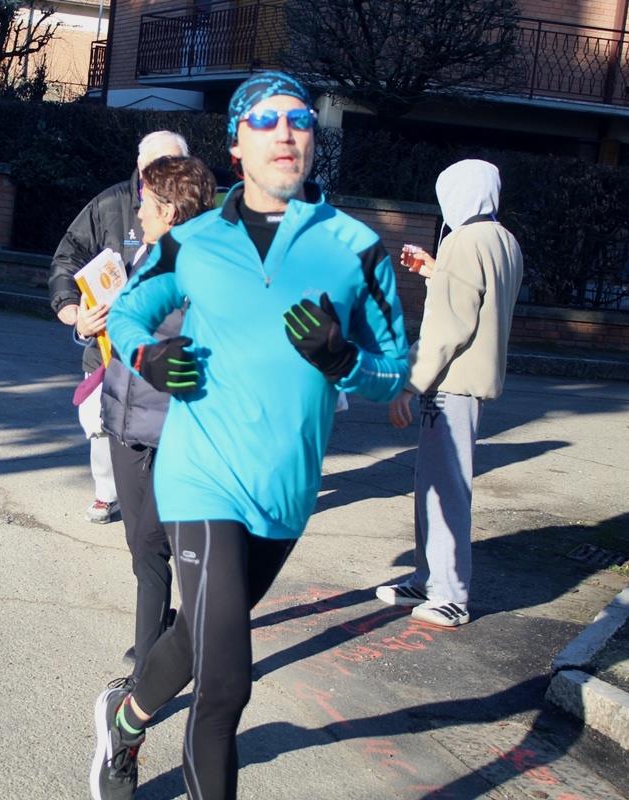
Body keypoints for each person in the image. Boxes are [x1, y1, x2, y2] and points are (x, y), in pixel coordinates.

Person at [90, 71, 409, 800]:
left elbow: (394, 373)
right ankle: (133, 750)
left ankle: (124, 721)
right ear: (236, 145)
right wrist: (148, 356)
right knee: (227, 685)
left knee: (195, 638)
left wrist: (345, 360)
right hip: (201, 479)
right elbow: (130, 312)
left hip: (285, 491)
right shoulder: (194, 241)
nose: (285, 132)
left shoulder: (356, 248)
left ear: (314, 139)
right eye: (264, 120)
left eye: (298, 119)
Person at [377, 159, 524, 628]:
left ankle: (450, 594)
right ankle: (429, 579)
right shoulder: (503, 240)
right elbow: (476, 299)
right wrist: (434, 271)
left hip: (451, 382)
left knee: (444, 488)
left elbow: (448, 324)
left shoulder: (463, 241)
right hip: (470, 380)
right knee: (436, 483)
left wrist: (408, 382)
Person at [100, 154, 217, 687]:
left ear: (169, 210)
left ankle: (150, 671)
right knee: (140, 547)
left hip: (174, 431)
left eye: (146, 202)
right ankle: (161, 634)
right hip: (125, 420)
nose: (138, 211)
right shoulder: (148, 253)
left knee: (153, 547)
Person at [50, 131, 189, 525]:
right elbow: (67, 256)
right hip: (108, 348)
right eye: (153, 169)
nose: (160, 177)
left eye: (172, 167)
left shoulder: (200, 213)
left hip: (168, 349)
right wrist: (73, 311)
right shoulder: (111, 204)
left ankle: (160, 501)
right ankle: (107, 491)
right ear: (139, 168)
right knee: (100, 421)